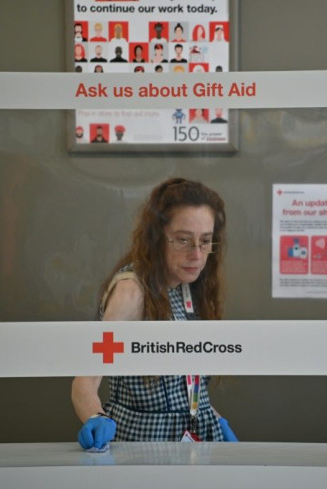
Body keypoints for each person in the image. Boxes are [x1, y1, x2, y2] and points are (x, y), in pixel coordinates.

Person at [72, 178, 238, 449]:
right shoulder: (132, 293)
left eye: (205, 241)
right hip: (144, 446)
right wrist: (95, 417)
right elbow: (85, 380)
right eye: (183, 240)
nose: (197, 254)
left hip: (197, 441)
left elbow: (184, 381)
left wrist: (214, 418)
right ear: (156, 237)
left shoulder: (190, 285)